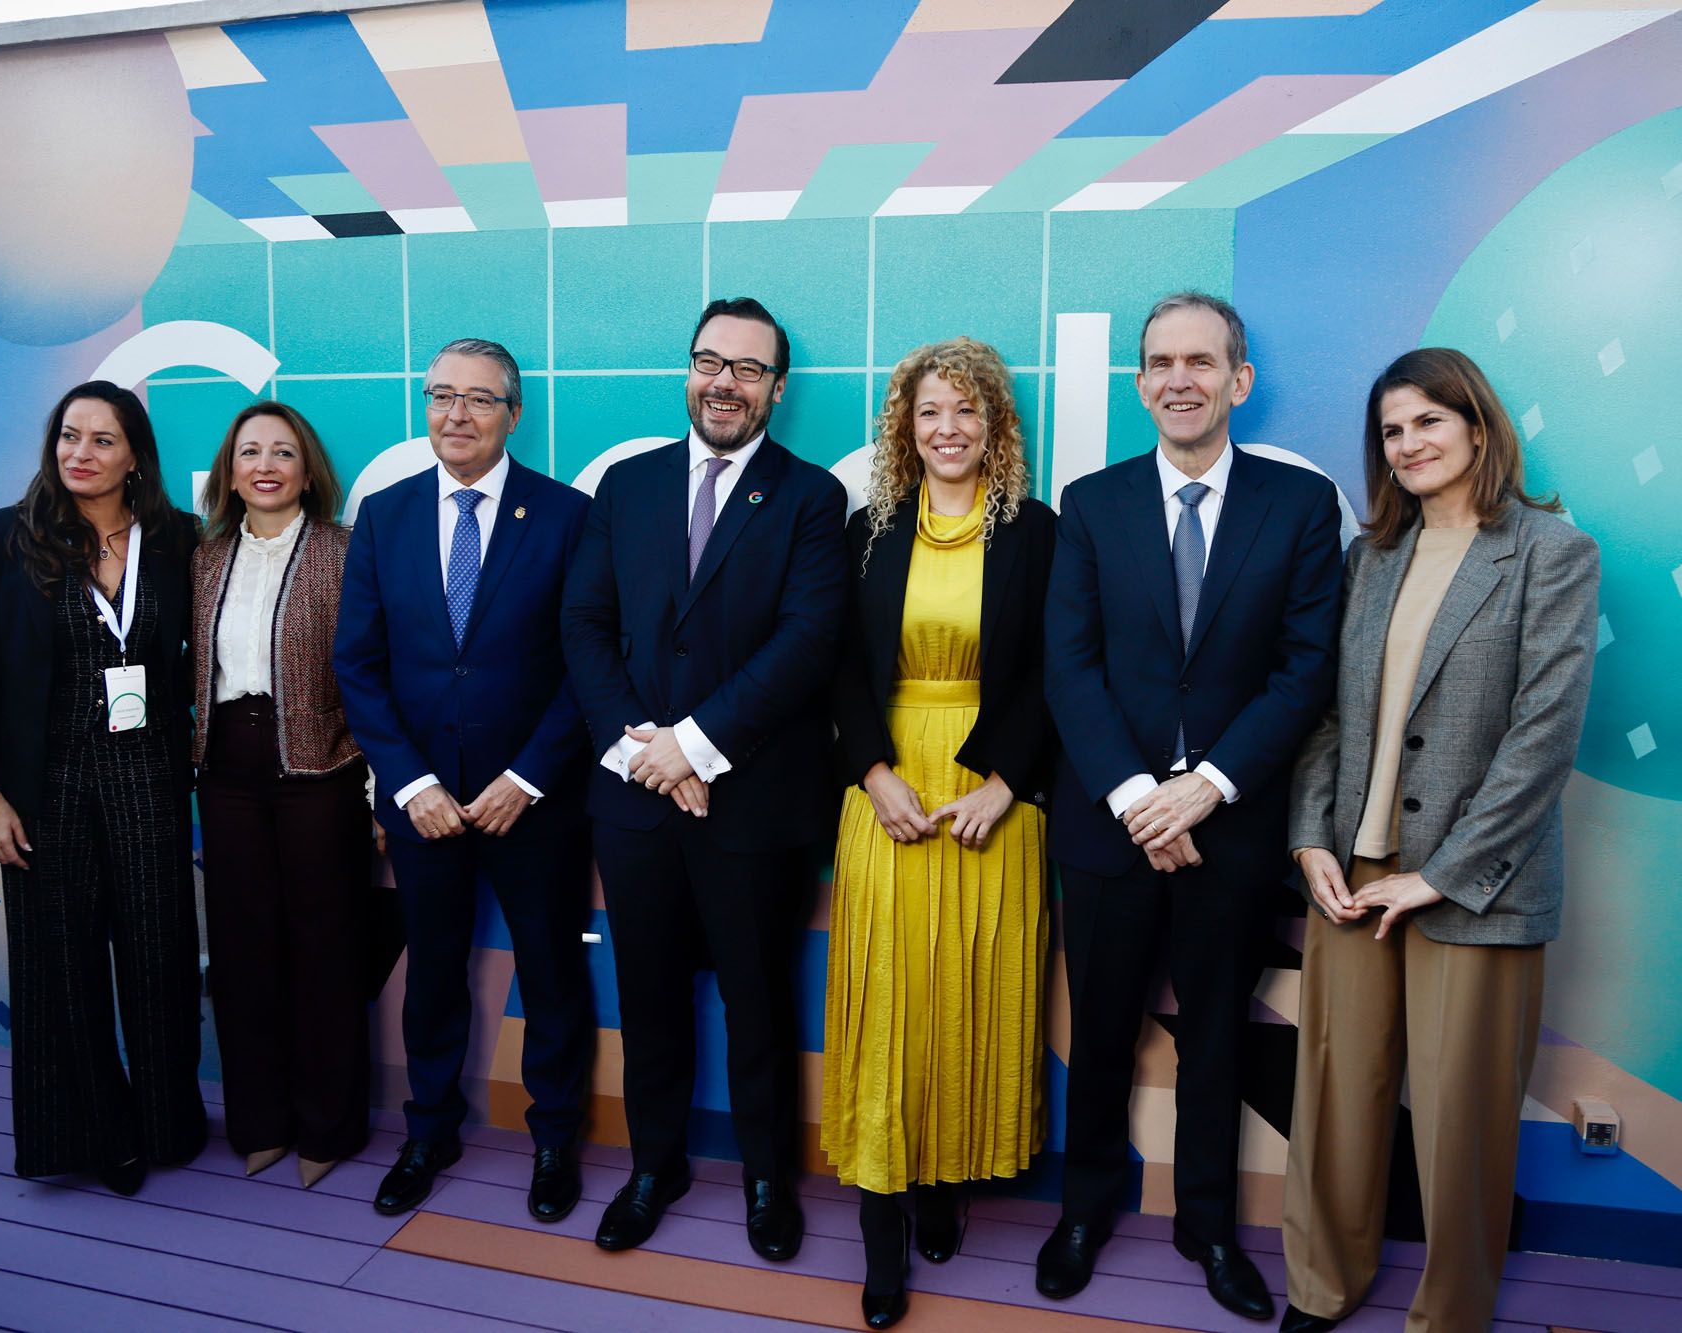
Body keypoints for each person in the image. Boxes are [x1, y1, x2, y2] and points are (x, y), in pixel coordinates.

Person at [1279, 348, 1599, 1333]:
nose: (1408, 443)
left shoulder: (1550, 550)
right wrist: (1311, 841)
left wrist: (1441, 877)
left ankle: (1450, 1312)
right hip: (1353, 867)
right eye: (1390, 430)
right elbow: (1331, 716)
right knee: (1335, 1091)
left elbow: (1541, 737)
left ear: (1474, 426)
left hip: (1474, 884)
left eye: (1426, 421)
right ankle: (1319, 1284)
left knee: (1459, 1119)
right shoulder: (1369, 557)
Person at [1039, 293, 1341, 1320]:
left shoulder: (1296, 510)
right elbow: (1067, 668)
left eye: (1200, 362)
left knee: (1216, 1035)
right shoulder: (1088, 504)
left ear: (1236, 381)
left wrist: (1200, 792)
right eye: (1160, 362)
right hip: (1106, 824)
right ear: (1139, 383)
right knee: (1105, 1027)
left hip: (1231, 826)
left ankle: (1206, 1227)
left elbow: (1304, 673)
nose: (1180, 378)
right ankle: (1081, 1211)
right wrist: (1137, 799)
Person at [561, 297, 845, 1261]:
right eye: (709, 361)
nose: (724, 381)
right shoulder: (625, 485)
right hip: (636, 800)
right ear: (689, 370)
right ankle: (656, 1166)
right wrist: (642, 751)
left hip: (752, 803)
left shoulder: (811, 499)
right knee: (646, 999)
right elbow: (586, 626)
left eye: (748, 368)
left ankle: (769, 1178)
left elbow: (806, 644)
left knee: (760, 1002)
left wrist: (695, 745)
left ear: (776, 387)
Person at [333, 338, 596, 1220]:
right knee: (434, 975)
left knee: (553, 974)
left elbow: (584, 665)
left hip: (535, 804)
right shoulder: (386, 516)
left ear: (514, 413)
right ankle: (428, 1132)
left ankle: (555, 1136)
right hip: (425, 808)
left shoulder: (566, 516)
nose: (456, 414)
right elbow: (359, 667)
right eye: (441, 395)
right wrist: (410, 785)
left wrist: (528, 775)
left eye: (479, 399)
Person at [824, 337, 1056, 1329]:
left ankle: (939, 1178)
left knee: (966, 990)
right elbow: (832, 666)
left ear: (995, 424)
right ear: (903, 427)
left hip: (994, 797)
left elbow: (1062, 670)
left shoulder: (1038, 533)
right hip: (884, 788)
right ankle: (882, 1211)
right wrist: (873, 774)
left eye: (966, 411)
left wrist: (1005, 783)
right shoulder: (863, 531)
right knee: (889, 1000)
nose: (947, 429)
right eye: (928, 411)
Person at [0, 380, 207, 1196]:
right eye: (68, 435)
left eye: (101, 439)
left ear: (135, 457)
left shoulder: (179, 539)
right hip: (43, 783)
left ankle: (168, 1120)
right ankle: (97, 1132)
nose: (79, 453)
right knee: (60, 967)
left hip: (152, 776)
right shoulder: (3, 537)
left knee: (160, 959)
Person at [191, 401, 370, 1188]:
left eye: (283, 452)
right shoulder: (201, 557)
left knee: (323, 953)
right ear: (230, 470)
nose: (265, 465)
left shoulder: (345, 551)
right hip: (224, 770)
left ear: (308, 469)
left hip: (322, 773)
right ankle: (259, 1122)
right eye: (249, 451)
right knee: (240, 953)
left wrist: (374, 786)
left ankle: (329, 1127)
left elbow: (374, 673)